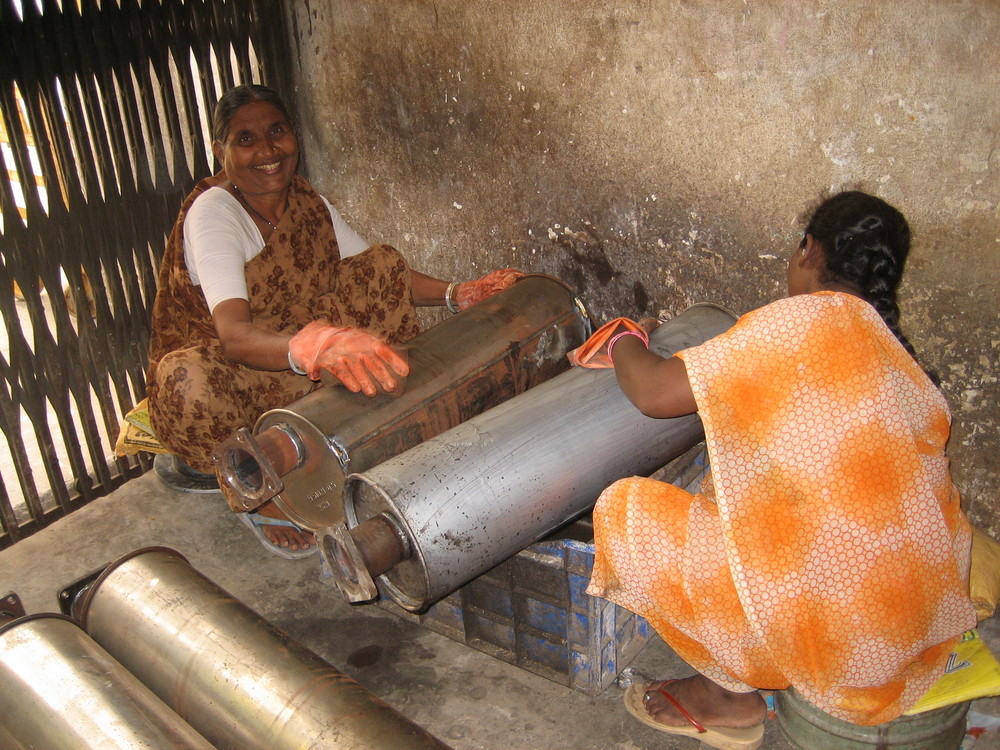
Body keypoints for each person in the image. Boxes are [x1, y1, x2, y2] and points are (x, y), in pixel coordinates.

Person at [578, 191, 976, 749]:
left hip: (833, 642)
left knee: (626, 510)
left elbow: (653, 392)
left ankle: (731, 695)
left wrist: (623, 339)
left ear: (809, 250)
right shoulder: (894, 353)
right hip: (915, 626)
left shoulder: (796, 323)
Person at [146, 84, 522, 557]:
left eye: (277, 132)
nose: (266, 150)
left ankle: (363, 411)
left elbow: (383, 275)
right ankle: (260, 490)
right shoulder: (214, 213)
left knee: (379, 263)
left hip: (300, 358)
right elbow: (235, 338)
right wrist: (314, 347)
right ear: (221, 152)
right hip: (237, 374)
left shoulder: (306, 202)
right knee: (188, 378)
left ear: (294, 138)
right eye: (246, 139)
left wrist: (457, 293)